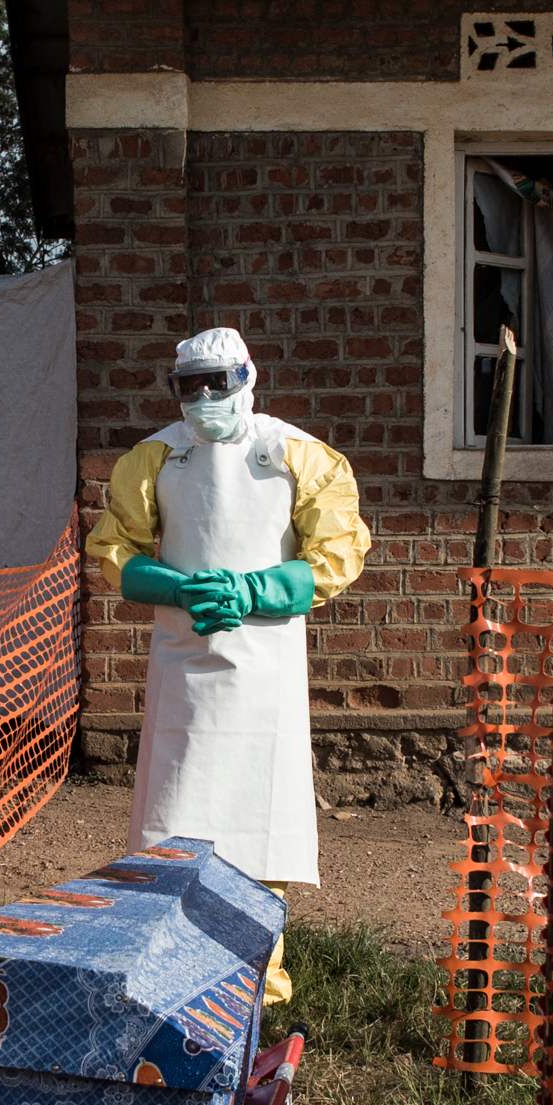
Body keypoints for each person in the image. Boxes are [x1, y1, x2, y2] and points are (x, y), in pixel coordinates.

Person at [84, 327, 372, 1014]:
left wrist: (255, 592)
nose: (208, 398)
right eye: (192, 386)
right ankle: (169, 960)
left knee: (258, 816)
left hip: (265, 666)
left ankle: (257, 976)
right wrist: (175, 587)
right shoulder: (155, 457)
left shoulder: (300, 456)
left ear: (249, 375)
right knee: (174, 810)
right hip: (183, 662)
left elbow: (338, 550)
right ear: (175, 391)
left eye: (221, 382)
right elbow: (115, 547)